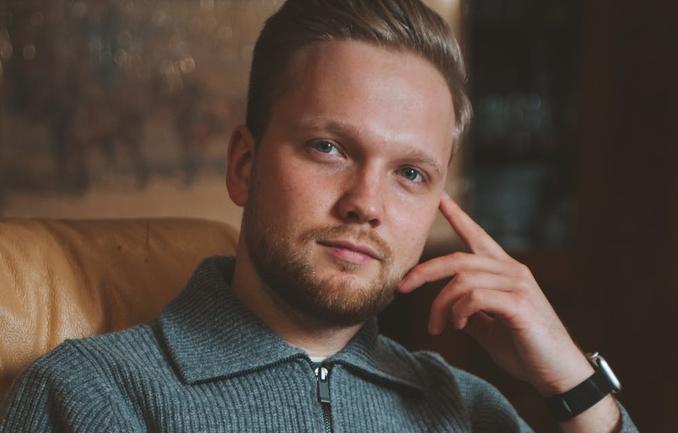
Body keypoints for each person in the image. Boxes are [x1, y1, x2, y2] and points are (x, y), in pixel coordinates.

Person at [1, 1, 638, 432]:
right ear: (245, 167)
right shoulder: (92, 395)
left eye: (410, 174)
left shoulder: (462, 407)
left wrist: (576, 384)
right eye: (328, 148)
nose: (366, 203)